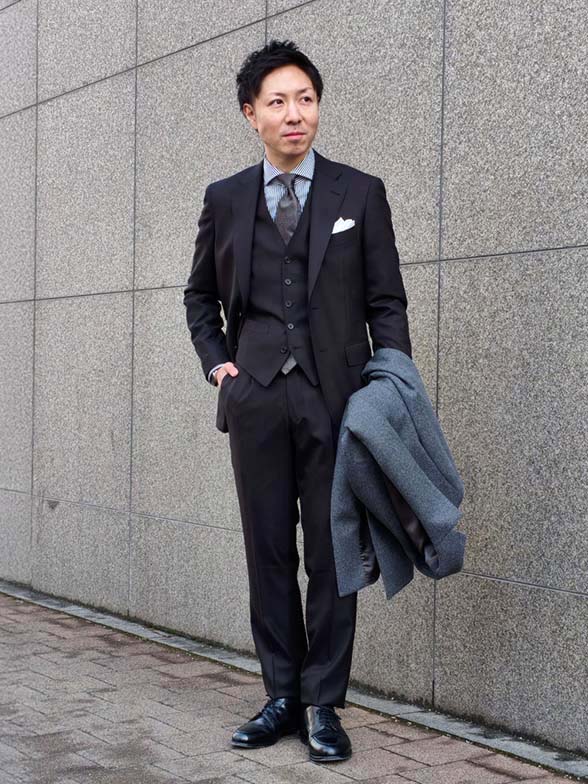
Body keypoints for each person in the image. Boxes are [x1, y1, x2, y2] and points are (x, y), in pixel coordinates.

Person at [183, 38, 412, 764]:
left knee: (334, 550)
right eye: (278, 102)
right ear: (250, 114)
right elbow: (199, 297)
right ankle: (281, 694)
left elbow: (386, 302)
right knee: (268, 551)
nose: (294, 114)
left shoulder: (360, 193)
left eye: (305, 99)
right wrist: (220, 369)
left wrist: (390, 386)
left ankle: (323, 704)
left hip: (337, 401)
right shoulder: (225, 198)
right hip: (255, 398)